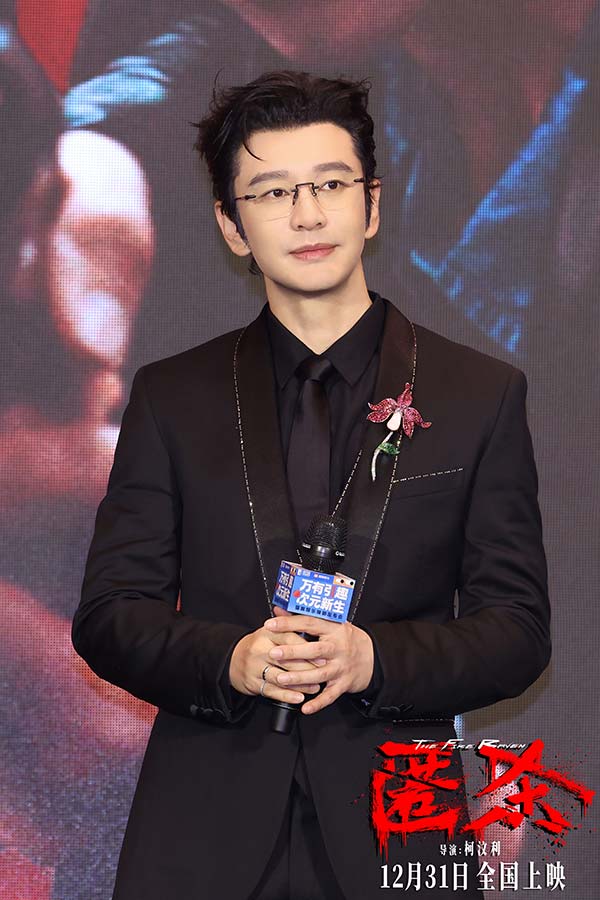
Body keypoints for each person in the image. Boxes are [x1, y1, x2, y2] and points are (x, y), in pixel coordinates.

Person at [72, 70, 550, 900]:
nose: (306, 215)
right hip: (202, 833)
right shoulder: (171, 397)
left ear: (371, 204)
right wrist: (233, 660)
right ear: (232, 226)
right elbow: (111, 614)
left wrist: (373, 659)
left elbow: (516, 630)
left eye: (330, 184)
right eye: (272, 192)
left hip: (402, 828)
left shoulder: (480, 393)